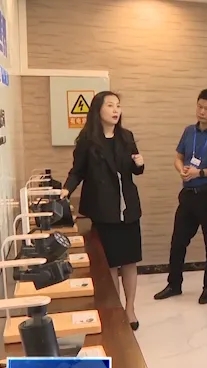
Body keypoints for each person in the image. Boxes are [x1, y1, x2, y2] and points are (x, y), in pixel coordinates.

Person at [61, 91, 145, 331]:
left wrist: (140, 164)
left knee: (129, 261)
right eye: (110, 105)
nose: (116, 110)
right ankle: (115, 309)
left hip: (127, 209)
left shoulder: (126, 137)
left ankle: (130, 309)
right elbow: (77, 171)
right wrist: (66, 190)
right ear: (98, 110)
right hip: (103, 210)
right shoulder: (87, 140)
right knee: (109, 264)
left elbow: (134, 169)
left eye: (118, 105)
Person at [154, 89, 207, 304]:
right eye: (199, 107)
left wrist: (200, 173)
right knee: (178, 241)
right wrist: (182, 169)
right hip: (187, 195)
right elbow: (178, 157)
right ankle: (174, 284)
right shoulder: (189, 131)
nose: (202, 112)